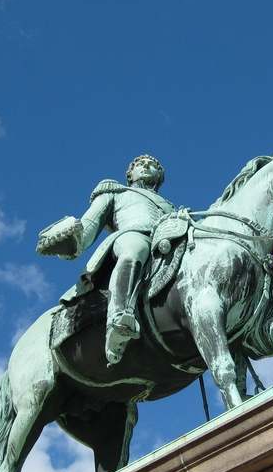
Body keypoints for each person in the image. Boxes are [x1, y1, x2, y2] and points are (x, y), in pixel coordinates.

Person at [38, 154, 173, 365]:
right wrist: (70, 240)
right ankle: (119, 318)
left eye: (153, 166)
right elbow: (88, 226)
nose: (146, 167)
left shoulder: (170, 207)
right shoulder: (115, 191)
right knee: (135, 249)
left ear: (160, 176)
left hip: (167, 244)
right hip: (133, 235)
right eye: (140, 164)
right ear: (130, 174)